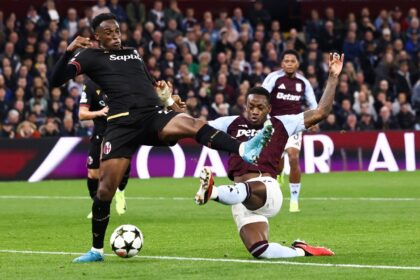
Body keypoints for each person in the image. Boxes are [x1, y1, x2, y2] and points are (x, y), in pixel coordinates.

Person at [49, 13, 272, 263]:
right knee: (105, 190)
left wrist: (168, 100)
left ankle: (243, 149)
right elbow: (54, 80)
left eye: (118, 31)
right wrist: (68, 50)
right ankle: (96, 251)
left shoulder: (133, 53)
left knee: (192, 123)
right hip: (120, 124)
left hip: (151, 115)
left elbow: (151, 86)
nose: (115, 36)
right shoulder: (89, 56)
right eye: (108, 32)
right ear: (97, 36)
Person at [194, 53, 344, 258]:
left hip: (267, 191)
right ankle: (302, 251)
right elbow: (195, 127)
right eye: (250, 107)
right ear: (245, 106)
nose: (254, 111)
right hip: (239, 198)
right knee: (260, 251)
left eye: (260, 107)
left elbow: (320, 112)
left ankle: (212, 192)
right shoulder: (230, 123)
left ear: (269, 108)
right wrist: (172, 106)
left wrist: (333, 77)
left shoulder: (282, 123)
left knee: (244, 189)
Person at [262, 49, 318, 212]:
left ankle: (294, 200)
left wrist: (315, 119)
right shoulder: (274, 78)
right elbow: (262, 96)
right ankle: (278, 174)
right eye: (286, 61)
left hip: (294, 125)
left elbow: (313, 103)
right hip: (274, 125)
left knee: (293, 157)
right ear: (282, 64)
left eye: (292, 61)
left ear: (297, 64)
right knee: (276, 161)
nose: (289, 64)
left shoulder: (303, 83)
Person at [78, 79, 130, 218]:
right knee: (93, 174)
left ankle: (120, 192)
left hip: (119, 132)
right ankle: (97, 207)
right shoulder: (90, 85)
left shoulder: (120, 80)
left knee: (121, 167)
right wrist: (99, 112)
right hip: (100, 132)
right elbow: (82, 115)